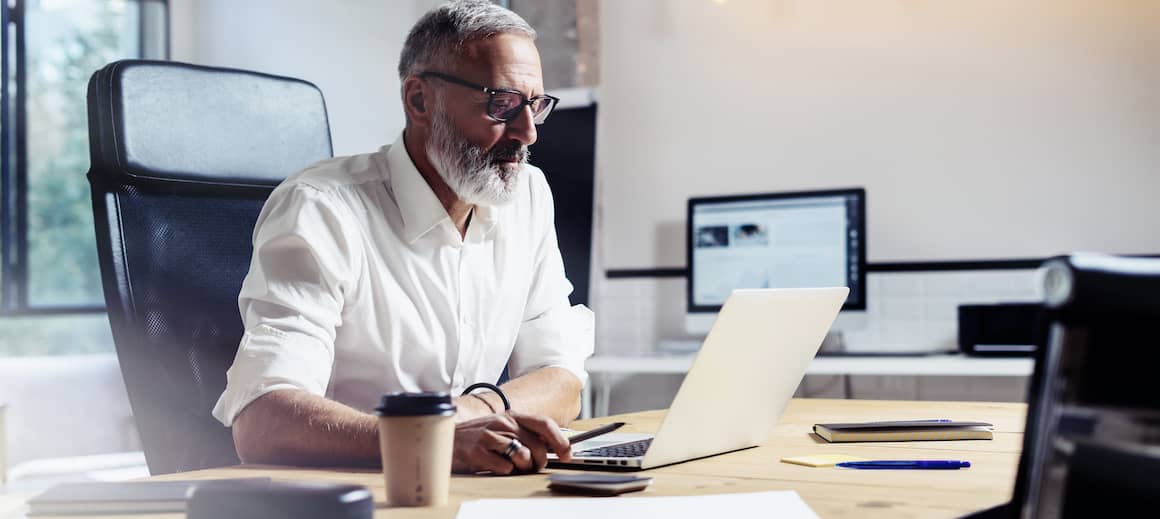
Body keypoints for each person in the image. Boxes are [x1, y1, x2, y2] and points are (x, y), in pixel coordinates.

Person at [211, 0, 593, 475]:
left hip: (468, 489)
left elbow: (562, 379)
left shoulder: (528, 195)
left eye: (535, 105)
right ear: (419, 101)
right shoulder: (321, 208)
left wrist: (467, 416)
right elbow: (261, 424)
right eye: (503, 104)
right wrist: (432, 442)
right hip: (347, 497)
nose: (528, 132)